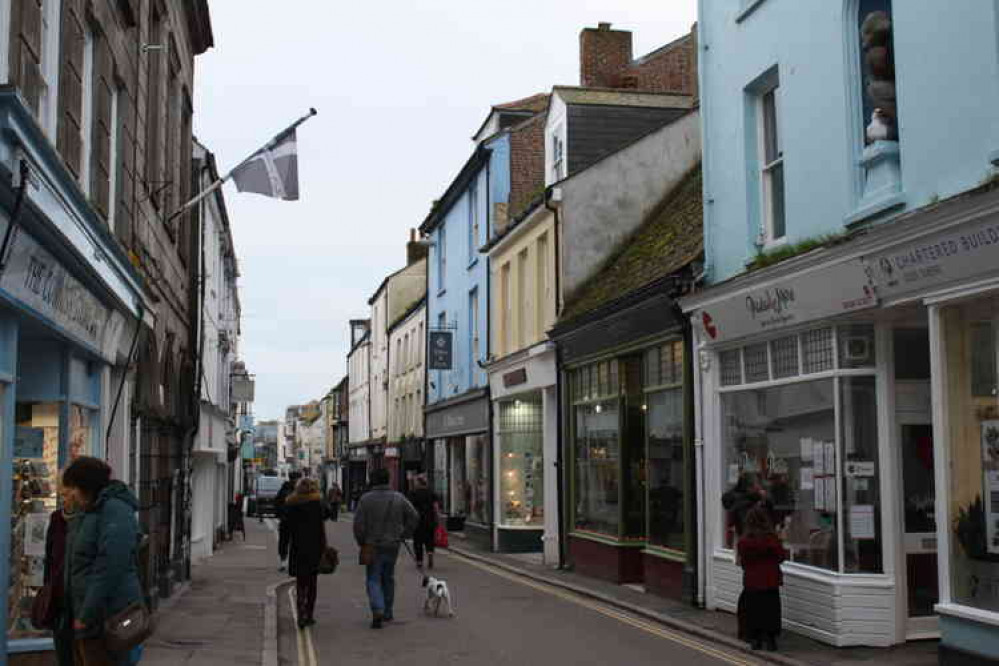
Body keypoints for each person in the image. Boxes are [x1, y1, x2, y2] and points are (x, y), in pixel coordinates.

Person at [62, 456, 145, 665]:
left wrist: (85, 615)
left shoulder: (115, 510)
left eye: (73, 487)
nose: (69, 493)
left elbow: (109, 567)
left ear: (87, 486)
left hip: (110, 616)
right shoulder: (88, 510)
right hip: (90, 615)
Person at [353, 469, 418, 629]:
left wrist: (362, 542)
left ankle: (378, 609)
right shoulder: (398, 497)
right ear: (387, 480)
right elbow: (414, 516)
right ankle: (388, 611)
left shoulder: (365, 500)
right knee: (388, 578)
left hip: (372, 545)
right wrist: (404, 534)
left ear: (373, 481)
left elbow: (358, 525)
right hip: (393, 545)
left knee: (373, 578)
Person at [737, 506, 788, 652]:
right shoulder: (772, 539)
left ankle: (756, 640)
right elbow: (781, 557)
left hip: (753, 581)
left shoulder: (744, 542)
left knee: (754, 611)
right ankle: (771, 641)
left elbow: (744, 562)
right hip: (770, 581)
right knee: (771, 611)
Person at [43, 480, 81, 666]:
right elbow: (49, 557)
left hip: (79, 598)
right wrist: (47, 588)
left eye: (67, 495)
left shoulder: (87, 520)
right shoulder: (56, 519)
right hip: (59, 597)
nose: (63, 500)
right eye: (61, 495)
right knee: (63, 653)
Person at [284, 477, 327, 629]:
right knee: (312, 583)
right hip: (315, 548)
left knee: (301, 582)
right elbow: (326, 516)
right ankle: (309, 614)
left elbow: (285, 529)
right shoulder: (318, 504)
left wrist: (282, 549)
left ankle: (301, 612)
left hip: (298, 548)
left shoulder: (291, 504)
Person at [408, 474, 441, 570]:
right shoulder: (431, 492)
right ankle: (430, 554)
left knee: (418, 541)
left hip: (417, 520)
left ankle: (419, 561)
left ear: (418, 483)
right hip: (430, 519)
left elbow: (410, 507)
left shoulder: (413, 492)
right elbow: (435, 506)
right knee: (429, 539)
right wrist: (437, 517)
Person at [275, 471, 301, 572]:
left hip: (287, 521)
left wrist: (281, 515)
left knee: (284, 542)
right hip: (293, 521)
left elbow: (276, 504)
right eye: (298, 479)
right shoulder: (297, 491)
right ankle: (288, 563)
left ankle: (284, 563)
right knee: (293, 542)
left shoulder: (283, 490)